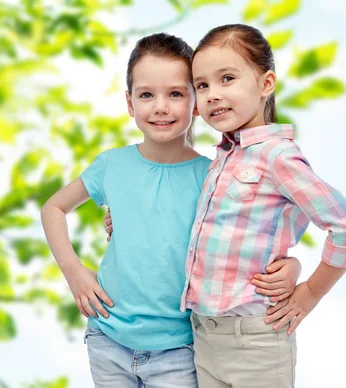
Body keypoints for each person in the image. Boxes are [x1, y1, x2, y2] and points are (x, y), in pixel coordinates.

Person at [41, 32, 301, 388]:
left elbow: (254, 236)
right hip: (107, 338)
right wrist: (73, 271)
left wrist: (292, 264)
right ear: (130, 103)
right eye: (146, 94)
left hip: (181, 350)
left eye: (176, 93)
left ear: (196, 102)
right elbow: (53, 208)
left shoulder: (213, 176)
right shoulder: (111, 165)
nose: (160, 106)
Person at [182, 24, 346, 388]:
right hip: (204, 336)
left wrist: (310, 291)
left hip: (256, 341)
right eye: (202, 85)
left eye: (227, 78)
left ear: (266, 84)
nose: (213, 95)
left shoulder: (277, 156)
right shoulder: (222, 159)